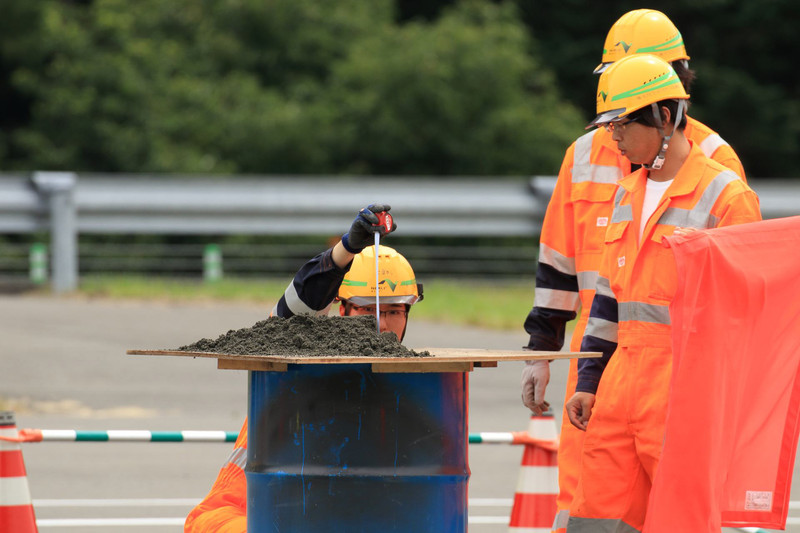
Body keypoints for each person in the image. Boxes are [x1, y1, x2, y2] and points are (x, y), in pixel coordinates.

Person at [519, 9, 747, 532]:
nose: (615, 133)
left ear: (667, 101)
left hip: (682, 376)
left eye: (625, 119)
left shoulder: (719, 175)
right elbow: (564, 263)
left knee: (681, 511)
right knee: (588, 506)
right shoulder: (595, 163)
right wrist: (546, 351)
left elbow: (735, 310)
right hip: (604, 360)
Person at [184, 204, 423, 533]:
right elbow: (288, 317)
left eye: (394, 311)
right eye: (368, 310)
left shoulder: (410, 388)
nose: (382, 325)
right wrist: (345, 251)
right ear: (341, 308)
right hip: (237, 517)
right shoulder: (301, 356)